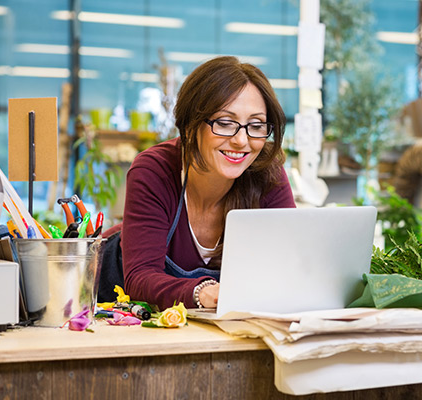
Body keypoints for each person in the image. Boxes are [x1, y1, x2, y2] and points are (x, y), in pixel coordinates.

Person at [120, 56, 296, 311]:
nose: (241, 140)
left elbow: (289, 264)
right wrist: (202, 292)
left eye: (256, 125)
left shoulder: (267, 175)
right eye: (225, 123)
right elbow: (140, 277)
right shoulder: (155, 171)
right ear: (191, 125)